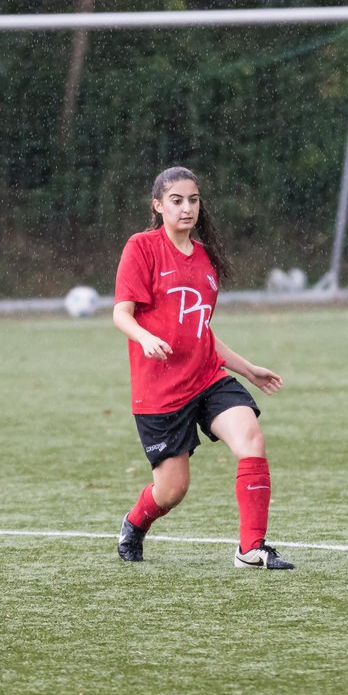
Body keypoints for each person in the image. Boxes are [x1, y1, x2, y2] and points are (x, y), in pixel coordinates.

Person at [112, 166, 294, 570]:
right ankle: (135, 522)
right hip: (158, 391)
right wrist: (143, 337)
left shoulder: (207, 261)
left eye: (193, 200)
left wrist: (247, 369)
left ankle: (251, 548)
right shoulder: (141, 248)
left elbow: (201, 331)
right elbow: (121, 314)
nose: (186, 208)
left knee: (251, 438)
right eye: (176, 200)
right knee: (172, 490)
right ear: (158, 206)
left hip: (207, 378)